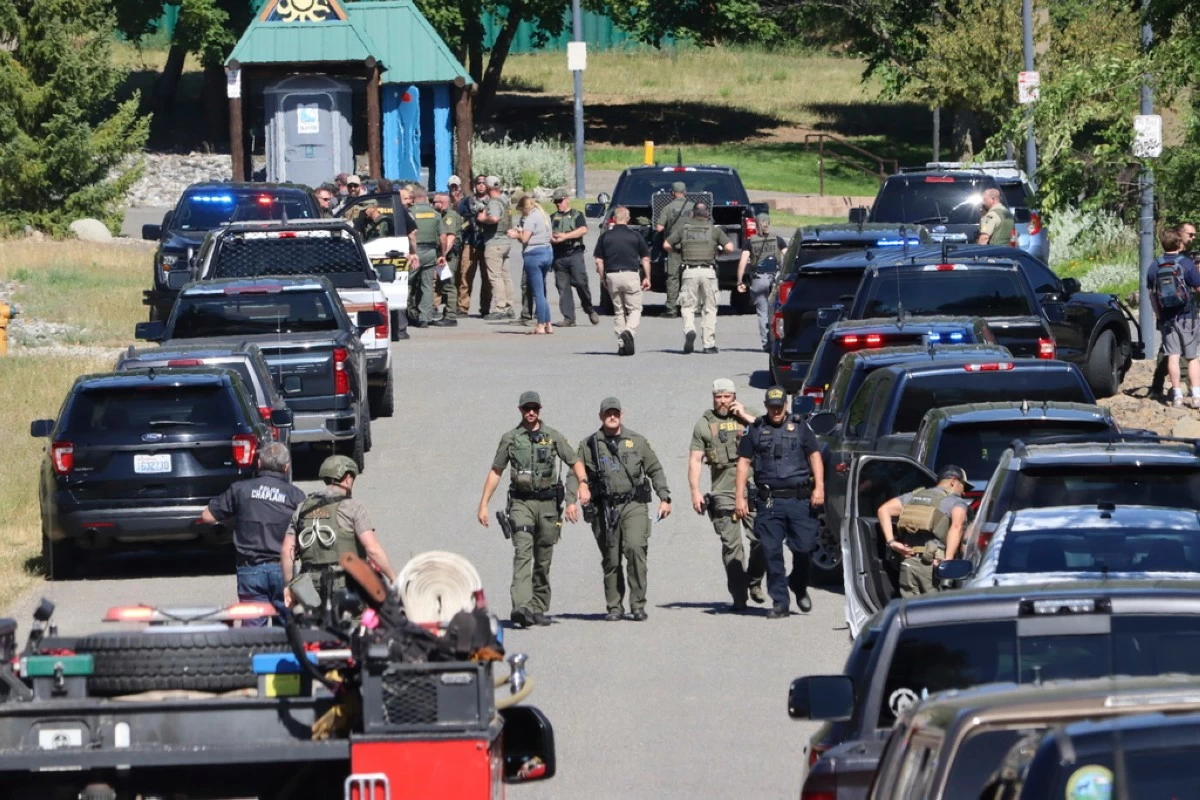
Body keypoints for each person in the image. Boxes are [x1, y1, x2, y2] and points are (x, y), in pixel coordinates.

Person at [477, 391, 591, 627]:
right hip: (522, 503)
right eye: (526, 409)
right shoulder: (510, 438)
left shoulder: (552, 436)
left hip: (548, 505)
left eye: (534, 409)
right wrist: (484, 504)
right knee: (522, 552)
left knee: (543, 557)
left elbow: (575, 460)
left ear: (539, 410)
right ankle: (521, 606)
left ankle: (538, 606)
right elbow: (496, 471)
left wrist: (583, 484)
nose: (531, 412)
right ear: (520, 410)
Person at [567, 397, 671, 621]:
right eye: (607, 414)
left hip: (633, 505)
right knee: (611, 558)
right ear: (601, 417)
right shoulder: (589, 445)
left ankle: (637, 604)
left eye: (615, 413)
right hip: (604, 507)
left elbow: (655, 469)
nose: (611, 417)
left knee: (635, 549)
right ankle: (614, 606)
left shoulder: (637, 441)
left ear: (621, 415)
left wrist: (665, 497)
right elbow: (574, 472)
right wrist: (570, 501)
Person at [734, 386, 824, 619]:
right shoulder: (755, 430)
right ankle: (780, 602)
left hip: (799, 499)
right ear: (766, 406)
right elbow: (743, 462)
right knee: (771, 551)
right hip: (770, 500)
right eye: (771, 406)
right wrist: (740, 496)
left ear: (786, 405)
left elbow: (815, 455)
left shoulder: (801, 426)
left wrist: (819, 488)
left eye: (779, 406)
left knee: (804, 548)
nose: (776, 410)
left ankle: (798, 584)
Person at [200, 442, 305, 625]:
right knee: (288, 633)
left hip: (250, 571)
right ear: (286, 467)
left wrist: (234, 521)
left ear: (258, 464)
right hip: (284, 570)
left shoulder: (240, 490)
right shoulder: (296, 496)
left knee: (253, 634)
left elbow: (207, 516)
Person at [688, 379, 766, 611]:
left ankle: (754, 581)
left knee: (761, 539)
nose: (722, 401)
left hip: (752, 487)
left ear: (734, 397)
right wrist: (695, 491)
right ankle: (739, 594)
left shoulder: (750, 417)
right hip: (723, 491)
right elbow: (695, 460)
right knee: (732, 546)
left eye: (726, 397)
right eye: (718, 397)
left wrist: (746, 416)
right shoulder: (704, 424)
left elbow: (771, 433)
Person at [280, 455, 397, 609]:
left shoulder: (302, 508)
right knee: (352, 627)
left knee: (316, 626)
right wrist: (393, 577)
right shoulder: (353, 508)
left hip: (309, 586)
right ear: (348, 479)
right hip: (346, 583)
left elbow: (286, 550)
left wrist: (289, 585)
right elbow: (372, 549)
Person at [875, 466, 972, 597]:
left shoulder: (914, 496)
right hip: (934, 564)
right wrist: (948, 561)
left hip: (908, 562)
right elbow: (957, 527)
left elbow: (883, 510)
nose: (964, 492)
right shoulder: (956, 502)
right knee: (933, 610)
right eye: (963, 487)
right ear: (953, 481)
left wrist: (892, 542)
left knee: (909, 608)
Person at [664, 203, 734, 355]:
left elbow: (666, 244)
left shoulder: (684, 230)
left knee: (688, 306)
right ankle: (708, 344)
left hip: (689, 271)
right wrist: (718, 253)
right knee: (709, 308)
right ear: (707, 215)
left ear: (692, 215)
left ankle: (690, 330)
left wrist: (678, 252)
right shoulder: (714, 230)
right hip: (708, 272)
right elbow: (730, 247)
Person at [1147, 226, 1200, 408]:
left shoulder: (1155, 265)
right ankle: (1196, 396)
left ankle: (1176, 395)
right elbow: (1198, 287)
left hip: (1167, 318)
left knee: (1173, 356)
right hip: (1187, 316)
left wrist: (1159, 314)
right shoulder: (1186, 263)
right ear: (1178, 242)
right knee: (1192, 357)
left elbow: (1152, 295)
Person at [593, 206, 651, 356]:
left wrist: (602, 278)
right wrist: (647, 277)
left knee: (619, 311)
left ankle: (621, 345)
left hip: (612, 275)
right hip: (630, 274)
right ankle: (629, 331)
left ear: (614, 219)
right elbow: (645, 258)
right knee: (635, 309)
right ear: (628, 219)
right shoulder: (635, 236)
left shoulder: (605, 237)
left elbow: (599, 260)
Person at [736, 213, 788, 352]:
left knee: (762, 313)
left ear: (757, 224)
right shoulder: (778, 239)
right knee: (778, 311)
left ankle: (766, 344)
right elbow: (788, 256)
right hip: (775, 280)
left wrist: (739, 281)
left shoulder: (750, 241)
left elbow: (742, 262)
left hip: (759, 280)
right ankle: (779, 340)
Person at [504, 195, 555, 335]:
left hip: (534, 254)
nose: (521, 214)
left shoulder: (531, 218)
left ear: (525, 208)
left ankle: (540, 325)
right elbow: (548, 236)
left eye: (521, 211)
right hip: (547, 251)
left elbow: (525, 239)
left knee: (537, 292)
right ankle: (548, 323)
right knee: (542, 291)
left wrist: (515, 234)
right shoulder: (544, 215)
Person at [550, 187, 598, 327]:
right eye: (556, 202)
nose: (558, 204)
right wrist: (554, 239)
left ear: (566, 199)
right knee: (563, 287)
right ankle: (569, 318)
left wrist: (565, 236)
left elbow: (583, 229)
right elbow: (547, 233)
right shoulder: (552, 217)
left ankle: (589, 309)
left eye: (560, 201)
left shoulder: (577, 215)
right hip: (559, 255)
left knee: (581, 282)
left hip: (574, 253)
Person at [478, 177, 516, 320]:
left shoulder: (494, 202)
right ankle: (509, 306)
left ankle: (500, 307)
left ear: (488, 187)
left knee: (495, 276)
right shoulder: (505, 200)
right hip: (505, 241)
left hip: (495, 242)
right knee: (505, 275)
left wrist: (482, 219)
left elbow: (494, 219)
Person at [654, 181, 693, 318]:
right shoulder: (693, 207)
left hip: (673, 248)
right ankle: (693, 307)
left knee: (673, 277)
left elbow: (659, 228)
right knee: (691, 278)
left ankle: (671, 308)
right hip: (692, 248)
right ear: (685, 192)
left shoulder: (668, 208)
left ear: (672, 193)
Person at [407, 186, 441, 328]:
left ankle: (404, 315)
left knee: (407, 282)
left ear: (414, 198)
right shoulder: (435, 214)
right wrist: (441, 254)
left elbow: (409, 234)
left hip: (415, 252)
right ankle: (425, 318)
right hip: (431, 251)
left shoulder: (410, 213)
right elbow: (443, 236)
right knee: (427, 285)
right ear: (426, 198)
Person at [458, 175, 491, 317]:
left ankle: (485, 309)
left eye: (484, 183)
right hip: (470, 242)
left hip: (487, 243)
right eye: (479, 183)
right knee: (465, 276)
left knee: (487, 279)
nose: (481, 186)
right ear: (475, 185)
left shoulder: (493, 202)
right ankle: (462, 307)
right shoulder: (467, 202)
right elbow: (460, 216)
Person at [432, 191, 462, 327]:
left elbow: (450, 237)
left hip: (449, 257)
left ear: (442, 203)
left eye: (435, 202)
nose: (433, 204)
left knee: (449, 285)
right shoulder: (444, 215)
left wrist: (443, 255)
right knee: (443, 284)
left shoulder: (449, 216)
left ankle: (450, 316)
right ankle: (447, 314)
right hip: (446, 256)